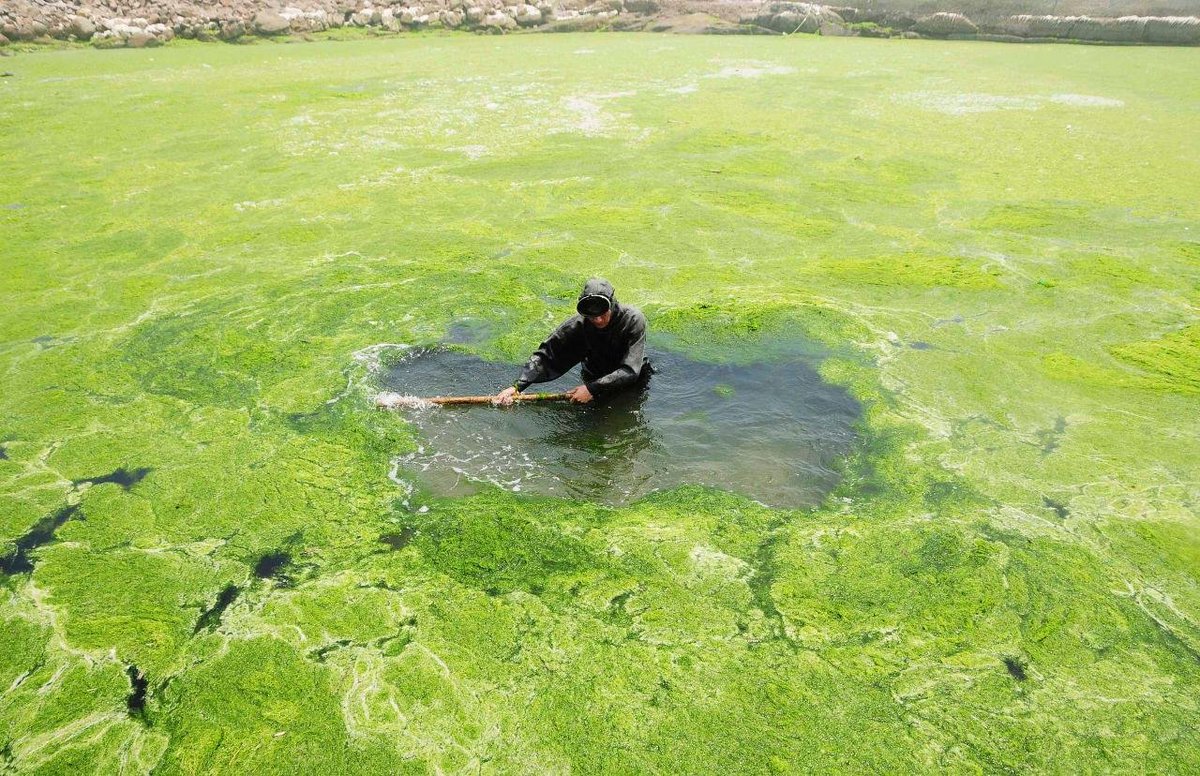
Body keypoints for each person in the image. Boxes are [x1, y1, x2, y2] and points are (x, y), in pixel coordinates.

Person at [494, 278, 651, 406]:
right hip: (594, 376)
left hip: (630, 382)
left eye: (602, 313)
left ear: (612, 304)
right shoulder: (577, 325)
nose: (597, 319)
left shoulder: (633, 320)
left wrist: (591, 389)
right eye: (591, 315)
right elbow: (546, 355)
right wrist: (516, 387)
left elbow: (631, 370)